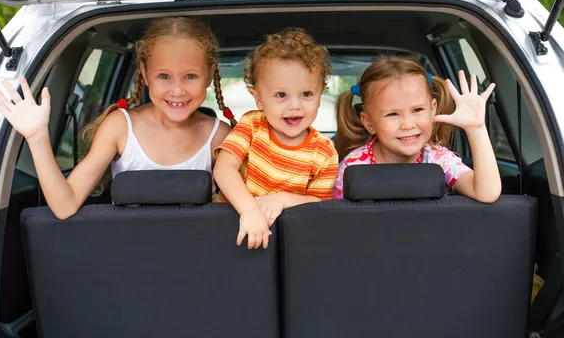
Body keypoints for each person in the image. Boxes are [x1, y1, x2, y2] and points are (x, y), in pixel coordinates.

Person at [0, 16, 234, 219]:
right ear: (145, 73)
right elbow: (65, 206)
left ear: (210, 74)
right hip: (125, 260)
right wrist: (37, 137)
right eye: (164, 76)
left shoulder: (219, 136)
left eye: (190, 76)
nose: (177, 90)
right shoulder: (120, 127)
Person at [213, 28, 338, 250]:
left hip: (290, 244)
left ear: (321, 94)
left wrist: (283, 199)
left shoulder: (324, 151)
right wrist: (250, 210)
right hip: (231, 234)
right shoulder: (251, 126)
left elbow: (321, 205)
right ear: (259, 99)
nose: (295, 105)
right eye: (281, 95)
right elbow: (224, 169)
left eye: (307, 94)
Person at [333, 56, 501, 203]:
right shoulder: (352, 168)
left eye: (417, 110)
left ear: (432, 109)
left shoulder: (440, 160)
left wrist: (476, 130)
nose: (408, 124)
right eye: (392, 114)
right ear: (369, 123)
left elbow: (486, 193)